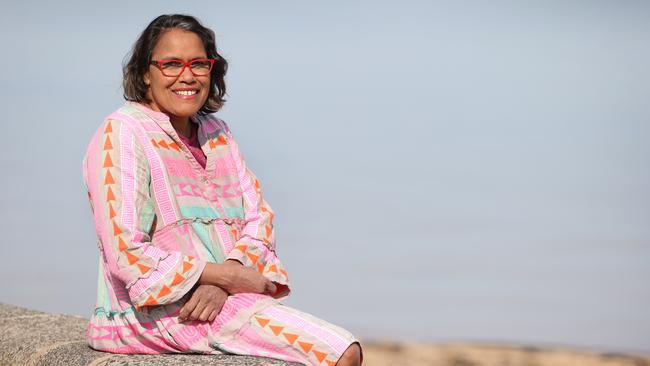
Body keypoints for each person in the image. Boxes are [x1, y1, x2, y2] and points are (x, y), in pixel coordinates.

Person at [82, 14, 362, 366]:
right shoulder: (123, 133)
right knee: (340, 352)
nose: (187, 76)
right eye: (171, 64)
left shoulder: (217, 133)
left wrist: (222, 280)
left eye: (199, 64)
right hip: (146, 317)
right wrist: (225, 275)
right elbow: (126, 252)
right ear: (144, 73)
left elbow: (258, 217)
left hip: (219, 301)